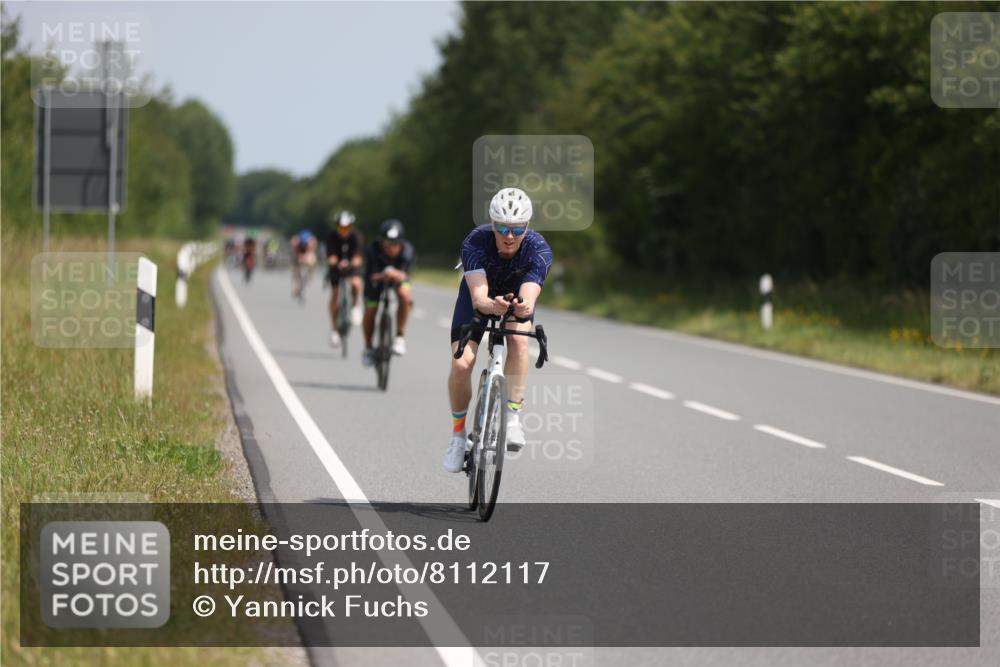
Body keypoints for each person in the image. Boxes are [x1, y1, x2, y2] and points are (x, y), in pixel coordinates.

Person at [443, 188, 553, 473]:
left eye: (517, 229)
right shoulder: (475, 242)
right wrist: (491, 305)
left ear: (527, 227)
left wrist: (523, 307)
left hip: (514, 297)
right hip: (480, 296)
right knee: (461, 364)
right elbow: (479, 298)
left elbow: (529, 298)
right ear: (492, 224)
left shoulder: (538, 248)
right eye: (502, 227)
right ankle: (457, 436)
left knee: (518, 340)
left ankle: (513, 418)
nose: (509, 235)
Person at [361, 219, 415, 367]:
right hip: (376, 279)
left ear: (401, 243)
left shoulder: (407, 250)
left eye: (396, 244)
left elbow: (404, 275)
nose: (392, 248)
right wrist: (385, 274)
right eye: (388, 244)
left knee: (405, 296)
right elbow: (369, 274)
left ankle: (399, 337)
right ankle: (367, 348)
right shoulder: (372, 249)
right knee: (371, 309)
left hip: (396, 278)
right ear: (381, 242)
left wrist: (392, 274)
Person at [325, 211, 365, 347]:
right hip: (336, 267)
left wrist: (350, 263)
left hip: (351, 266)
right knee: (335, 295)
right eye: (340, 228)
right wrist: (336, 262)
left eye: (346, 228)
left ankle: (355, 306)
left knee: (356, 283)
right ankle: (334, 331)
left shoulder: (356, 236)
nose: (343, 231)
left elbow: (358, 257)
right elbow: (330, 256)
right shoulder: (331, 236)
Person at [289, 228, 318, 298]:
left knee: (312, 261)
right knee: (295, 270)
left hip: (307, 253)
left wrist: (305, 257)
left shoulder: (312, 241)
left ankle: (310, 277)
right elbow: (294, 252)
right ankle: (296, 287)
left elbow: (311, 252)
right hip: (298, 253)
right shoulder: (295, 241)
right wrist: (298, 257)